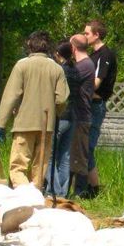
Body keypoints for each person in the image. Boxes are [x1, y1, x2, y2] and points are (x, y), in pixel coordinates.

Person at [0, 30, 69, 189]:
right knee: (39, 168)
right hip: (47, 126)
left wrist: (1, 124)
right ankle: (35, 197)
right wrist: (56, 112)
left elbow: (11, 96)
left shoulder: (22, 65)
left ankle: (24, 197)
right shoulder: (57, 69)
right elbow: (62, 99)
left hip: (24, 124)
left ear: (30, 45)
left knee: (18, 167)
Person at [85, 19, 117, 198]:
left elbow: (96, 83)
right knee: (82, 146)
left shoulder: (105, 55)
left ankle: (94, 188)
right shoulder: (92, 55)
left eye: (87, 33)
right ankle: (85, 185)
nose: (85, 36)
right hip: (89, 104)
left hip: (96, 105)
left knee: (88, 146)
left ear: (96, 35)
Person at [45, 40, 78, 197]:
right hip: (73, 116)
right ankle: (63, 192)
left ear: (58, 55)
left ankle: (53, 190)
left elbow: (58, 96)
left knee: (49, 156)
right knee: (65, 156)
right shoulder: (75, 70)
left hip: (61, 116)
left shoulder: (60, 71)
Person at [67, 32, 96, 198]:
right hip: (79, 115)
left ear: (73, 48)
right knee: (75, 154)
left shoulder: (84, 66)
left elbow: (67, 79)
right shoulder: (86, 64)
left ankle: (80, 192)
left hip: (81, 116)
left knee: (79, 156)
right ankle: (75, 190)